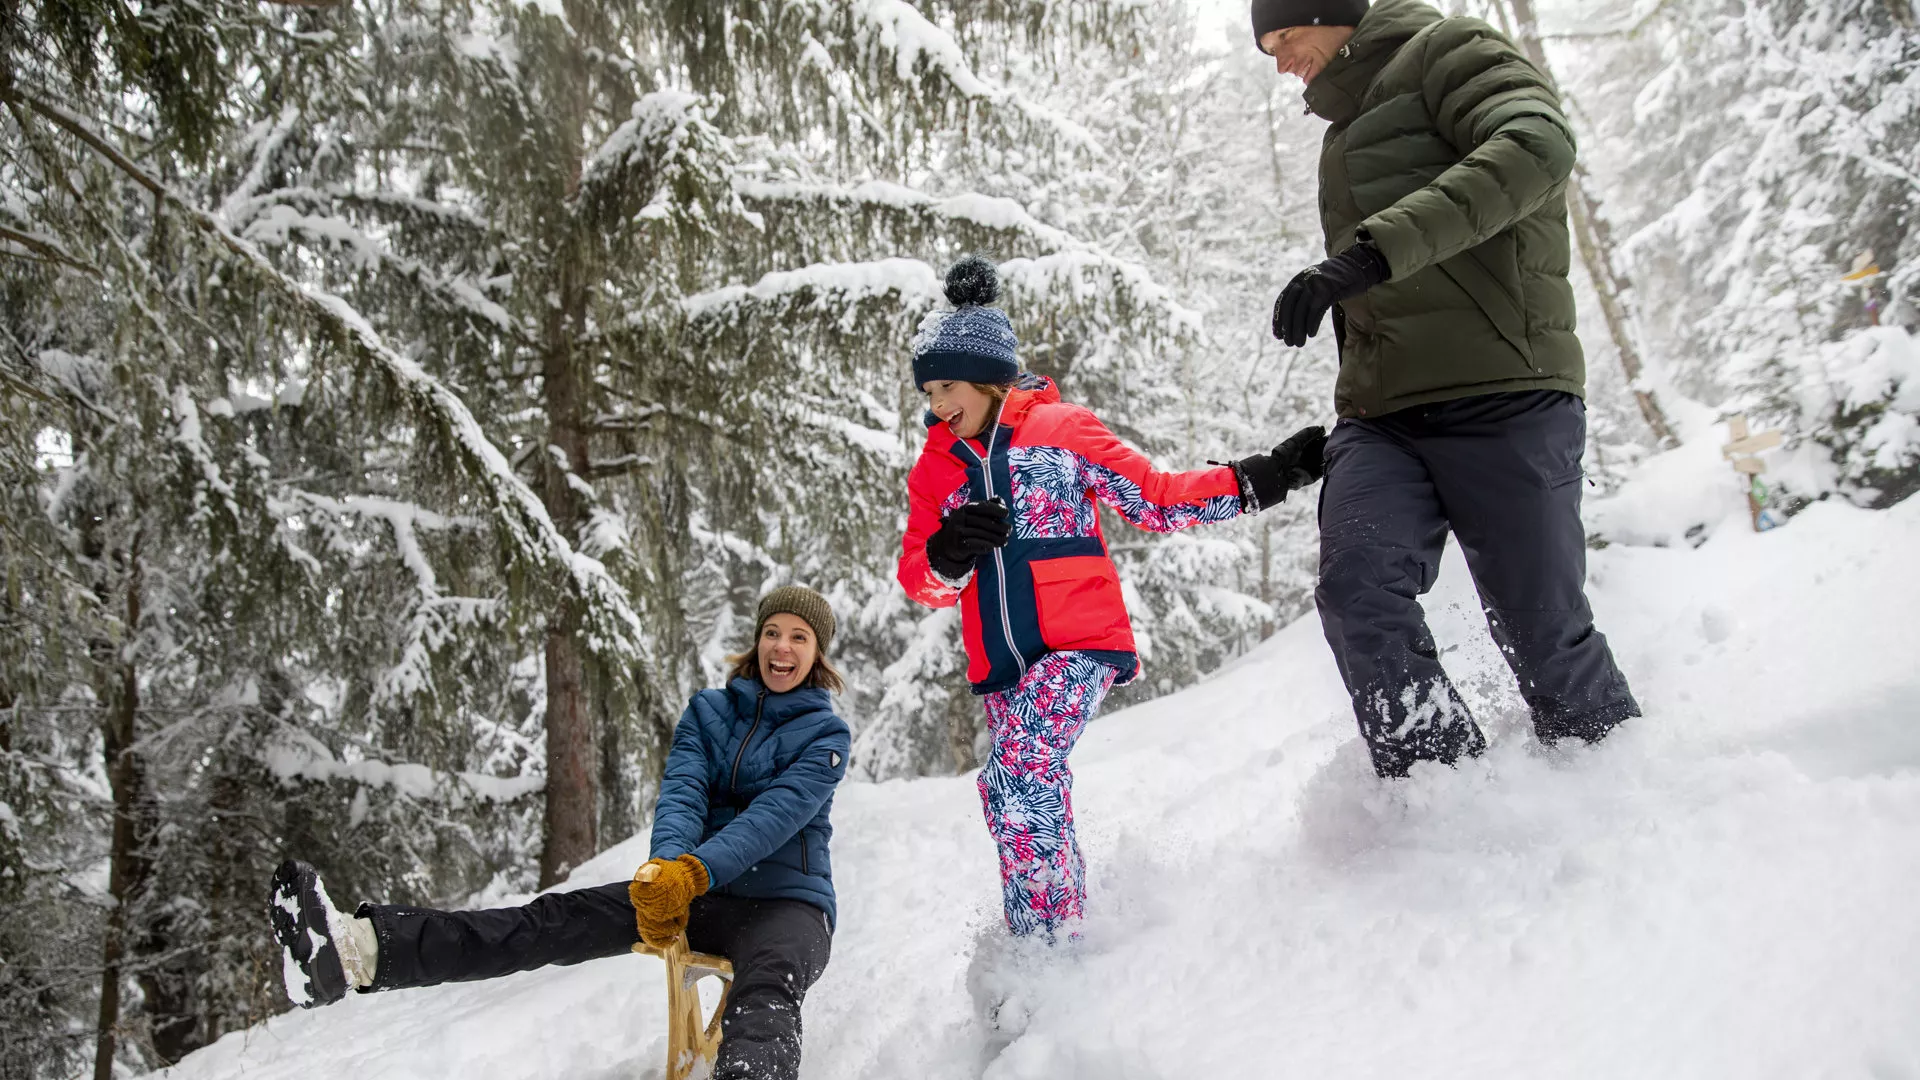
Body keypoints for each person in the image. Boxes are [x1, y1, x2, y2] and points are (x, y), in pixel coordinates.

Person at [1252, 0, 1640, 778]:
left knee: (1544, 632)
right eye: (1267, 47)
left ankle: (1619, 797)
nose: (1281, 58)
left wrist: (1370, 254)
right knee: (1358, 591)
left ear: (1333, 13)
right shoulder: (1341, 137)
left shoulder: (1449, 49)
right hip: (1383, 417)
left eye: (1287, 34)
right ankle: (1443, 795)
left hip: (1507, 392)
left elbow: (1537, 146)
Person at [897, 254, 1326, 940]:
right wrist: (946, 554)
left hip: (1077, 643)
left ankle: (1052, 951)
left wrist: (1264, 477)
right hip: (1005, 666)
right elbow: (920, 581)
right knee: (1009, 792)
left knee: (1023, 768)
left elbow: (1155, 500)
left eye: (946, 385)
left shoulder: (1062, 430)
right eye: (927, 393)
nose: (937, 405)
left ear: (987, 376)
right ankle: (1046, 938)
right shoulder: (936, 470)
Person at [268, 587, 851, 1080]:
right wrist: (662, 873)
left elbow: (773, 818)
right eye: (773, 631)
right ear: (757, 641)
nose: (783, 646)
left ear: (817, 653)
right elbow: (683, 794)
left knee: (765, 994)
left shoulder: (827, 734)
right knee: (549, 921)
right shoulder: (708, 712)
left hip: (789, 907)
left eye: (799, 637)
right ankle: (354, 951)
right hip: (696, 893)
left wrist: (689, 873)